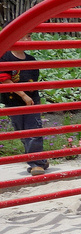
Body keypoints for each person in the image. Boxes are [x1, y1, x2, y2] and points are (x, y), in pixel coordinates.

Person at [0, 39, 48, 176]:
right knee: (21, 132)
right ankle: (40, 160)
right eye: (24, 36)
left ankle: (36, 164)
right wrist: (23, 95)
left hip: (32, 101)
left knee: (33, 131)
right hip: (13, 102)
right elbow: (4, 79)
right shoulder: (5, 57)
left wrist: (29, 96)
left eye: (30, 36)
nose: (29, 40)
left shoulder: (31, 59)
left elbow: (34, 79)